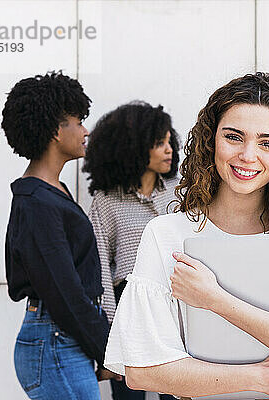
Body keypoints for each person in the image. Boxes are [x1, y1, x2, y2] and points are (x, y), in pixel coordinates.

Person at [103, 72, 269, 400]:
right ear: (211, 140)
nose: (247, 155)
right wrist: (261, 378)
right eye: (233, 137)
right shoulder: (167, 234)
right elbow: (143, 369)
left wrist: (215, 299)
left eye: (267, 143)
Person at [2, 72, 118, 399]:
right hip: (55, 343)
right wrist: (107, 350)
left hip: (60, 341)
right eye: (78, 122)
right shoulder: (38, 203)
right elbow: (65, 291)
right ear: (55, 130)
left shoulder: (53, 193)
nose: (86, 131)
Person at [83, 101, 180, 400]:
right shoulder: (106, 202)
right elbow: (99, 268)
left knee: (177, 389)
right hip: (129, 307)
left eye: (169, 142)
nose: (169, 150)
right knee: (127, 394)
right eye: (158, 143)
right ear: (135, 147)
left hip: (175, 303)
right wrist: (111, 332)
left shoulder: (181, 192)